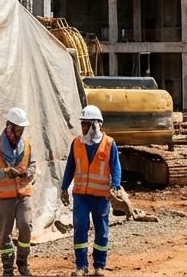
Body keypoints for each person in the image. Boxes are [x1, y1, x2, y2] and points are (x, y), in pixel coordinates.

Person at [59, 104, 121, 277]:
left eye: (86, 124)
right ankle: (81, 266)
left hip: (101, 196)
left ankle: (99, 266)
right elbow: (70, 167)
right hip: (81, 195)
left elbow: (115, 167)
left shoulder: (109, 144)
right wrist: (64, 187)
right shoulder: (77, 143)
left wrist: (115, 186)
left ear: (95, 124)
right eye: (82, 124)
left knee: (102, 230)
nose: (83, 127)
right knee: (80, 227)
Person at [0, 107, 36, 276]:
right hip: (4, 197)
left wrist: (26, 173)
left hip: (22, 194)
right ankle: (8, 268)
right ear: (9, 126)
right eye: (17, 129)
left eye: (22, 129)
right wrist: (5, 173)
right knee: (5, 233)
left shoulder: (27, 145)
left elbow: (33, 165)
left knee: (25, 225)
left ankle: (22, 262)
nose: (20, 132)